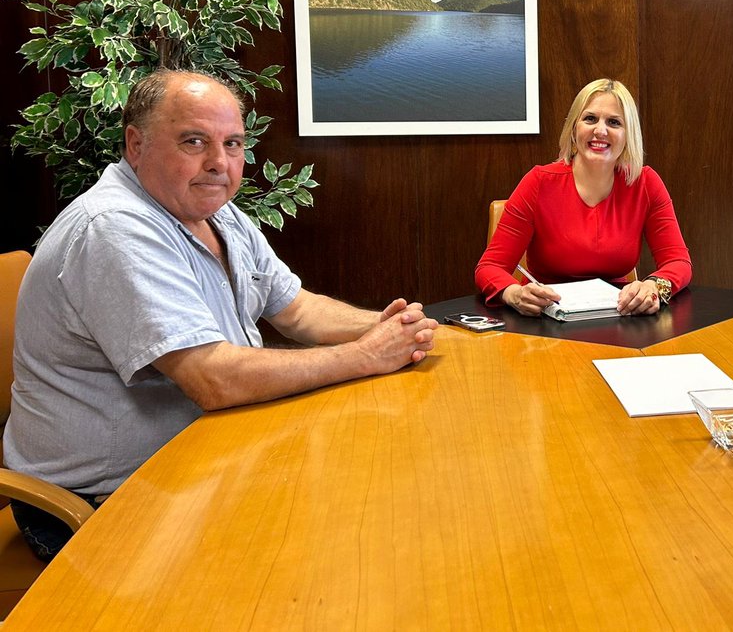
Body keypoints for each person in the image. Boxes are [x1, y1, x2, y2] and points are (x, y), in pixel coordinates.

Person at [3, 69, 437, 560]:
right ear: (135, 144)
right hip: (102, 501)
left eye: (232, 144)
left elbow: (296, 310)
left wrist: (390, 327)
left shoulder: (214, 210)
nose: (219, 162)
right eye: (194, 141)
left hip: (205, 460)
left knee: (377, 506)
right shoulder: (113, 227)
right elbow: (213, 379)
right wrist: (365, 355)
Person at [475, 78, 691, 316]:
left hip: (621, 316)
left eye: (614, 122)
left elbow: (678, 262)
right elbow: (490, 267)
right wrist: (513, 293)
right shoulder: (538, 182)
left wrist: (653, 286)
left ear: (629, 134)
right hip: (546, 319)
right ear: (574, 127)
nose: (600, 130)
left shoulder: (646, 183)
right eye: (590, 119)